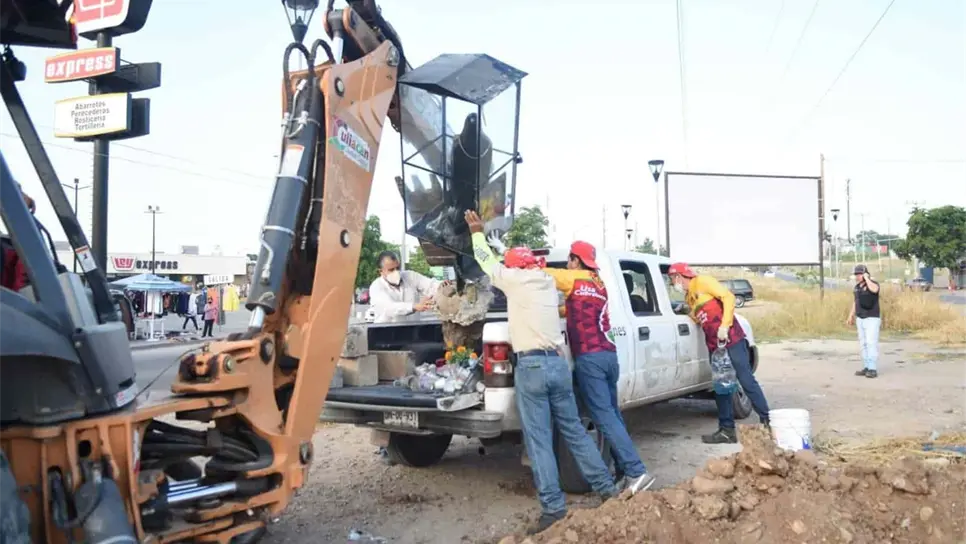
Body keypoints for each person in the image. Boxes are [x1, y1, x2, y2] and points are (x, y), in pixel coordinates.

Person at [465, 210, 617, 534]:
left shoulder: (513, 280)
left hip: (532, 367)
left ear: (514, 267)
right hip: (558, 364)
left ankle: (553, 509)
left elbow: (485, 262)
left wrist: (477, 233)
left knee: (539, 441)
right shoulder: (548, 282)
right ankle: (608, 490)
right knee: (574, 431)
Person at [542, 241, 655, 494]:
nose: (567, 265)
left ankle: (637, 471)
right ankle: (625, 473)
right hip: (609, 356)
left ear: (575, 261)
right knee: (613, 415)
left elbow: (544, 275)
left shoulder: (572, 279)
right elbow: (578, 308)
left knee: (604, 418)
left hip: (590, 359)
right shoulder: (598, 283)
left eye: (569, 260)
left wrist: (526, 263)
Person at [667, 262, 771, 444]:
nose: (674, 283)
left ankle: (768, 422)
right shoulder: (690, 297)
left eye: (673, 279)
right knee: (721, 386)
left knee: (745, 379)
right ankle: (726, 430)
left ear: (679, 276)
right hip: (716, 346)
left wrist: (725, 325)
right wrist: (686, 312)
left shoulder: (703, 282)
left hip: (731, 339)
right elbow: (699, 316)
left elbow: (728, 297)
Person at [367, 250, 445, 324]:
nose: (396, 272)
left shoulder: (410, 276)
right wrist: (415, 306)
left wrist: (442, 286)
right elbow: (389, 307)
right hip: (387, 333)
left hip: (413, 332)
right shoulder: (376, 287)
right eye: (391, 270)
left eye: (398, 268)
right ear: (381, 271)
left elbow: (430, 285)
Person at [848, 264, 881, 378]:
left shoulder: (873, 284)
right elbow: (855, 301)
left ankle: (872, 368)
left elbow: (875, 290)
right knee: (863, 343)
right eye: (856, 274)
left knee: (871, 342)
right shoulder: (857, 287)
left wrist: (867, 279)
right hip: (860, 318)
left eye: (860, 274)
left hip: (871, 317)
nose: (857, 276)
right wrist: (851, 315)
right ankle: (866, 366)